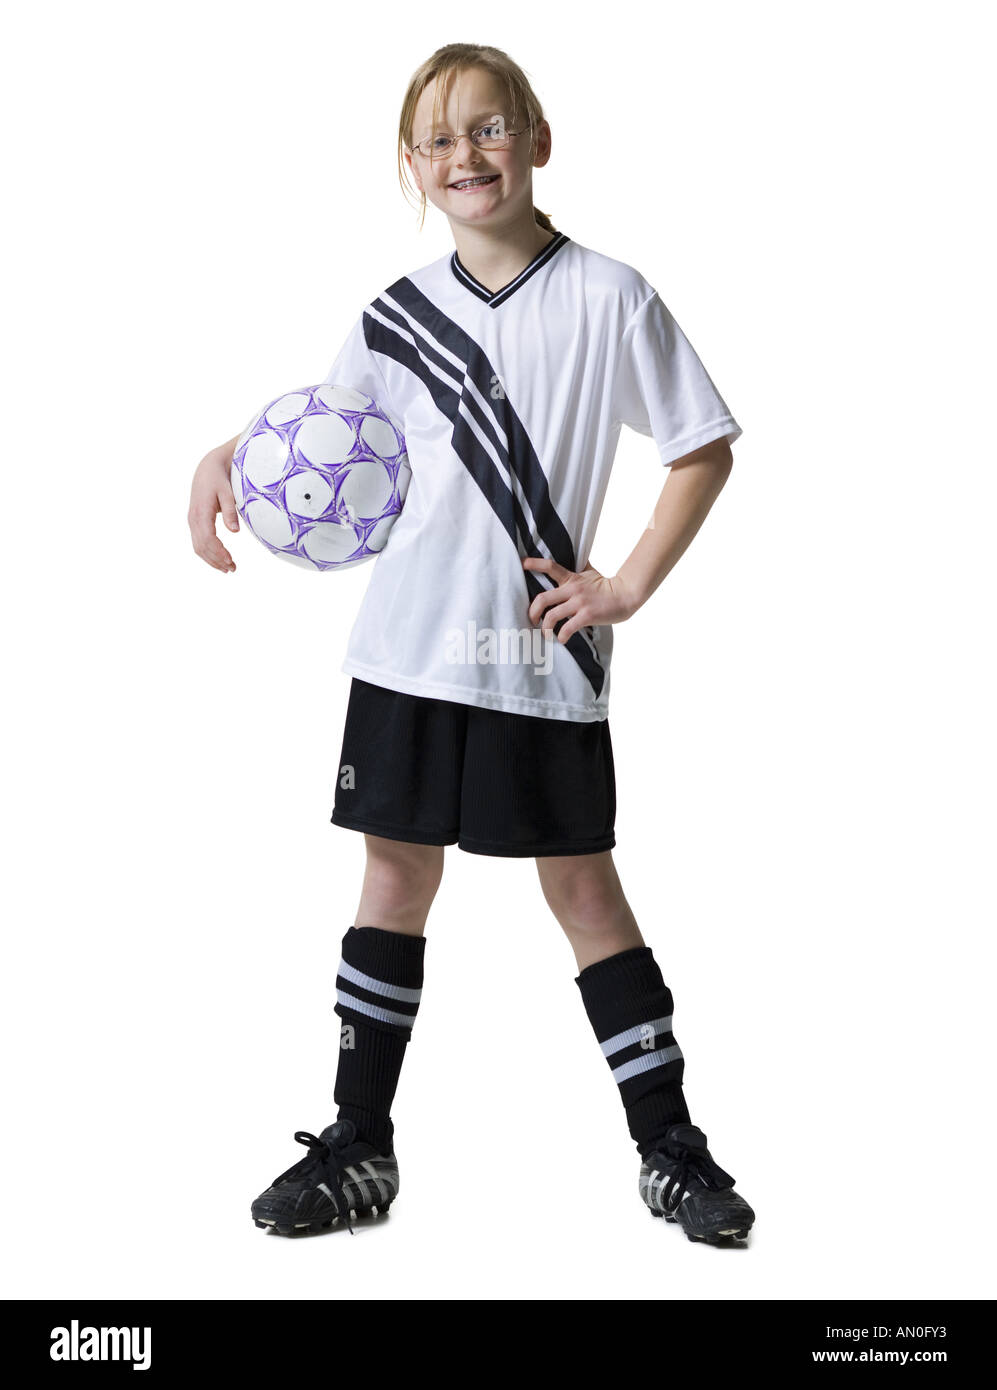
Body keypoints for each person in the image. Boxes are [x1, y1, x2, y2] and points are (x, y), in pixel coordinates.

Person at [188, 42, 755, 1247]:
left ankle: (671, 1149)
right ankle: (358, 1144)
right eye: (440, 139)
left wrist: (627, 584)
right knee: (393, 881)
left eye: (488, 129)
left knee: (584, 889)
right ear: (411, 167)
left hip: (536, 660)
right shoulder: (396, 316)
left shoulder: (610, 294)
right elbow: (319, 436)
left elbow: (700, 445)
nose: (466, 155)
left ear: (537, 139)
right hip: (403, 656)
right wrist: (222, 453)